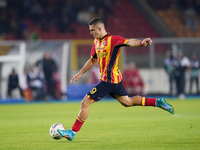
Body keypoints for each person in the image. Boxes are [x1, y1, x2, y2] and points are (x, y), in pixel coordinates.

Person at [57, 17, 174, 141]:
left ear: (100, 28)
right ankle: (157, 102)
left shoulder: (113, 40)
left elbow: (129, 42)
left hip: (109, 80)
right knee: (127, 102)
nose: (91, 33)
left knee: (85, 102)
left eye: (92, 30)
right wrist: (80, 73)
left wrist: (141, 43)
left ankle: (72, 132)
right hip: (114, 80)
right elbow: (93, 59)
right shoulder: (96, 42)